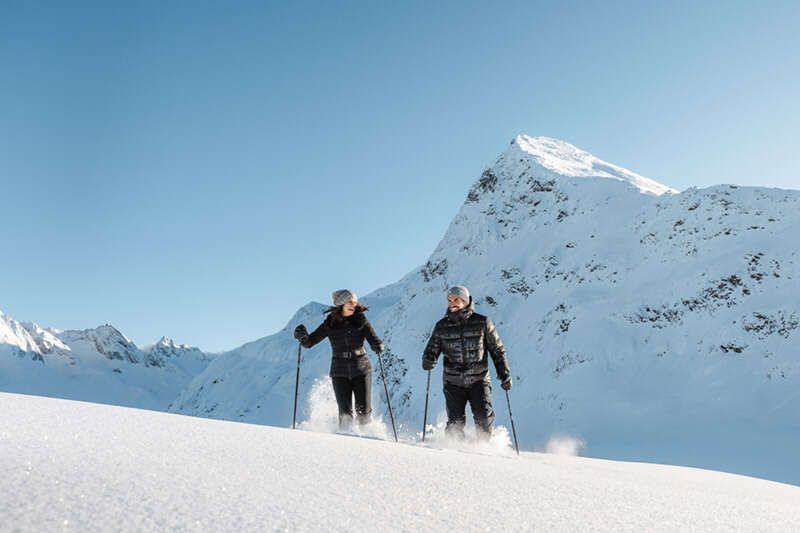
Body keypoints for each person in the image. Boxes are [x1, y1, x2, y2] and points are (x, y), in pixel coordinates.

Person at [422, 285, 512, 440]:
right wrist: (429, 358)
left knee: (484, 419)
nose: (452, 303)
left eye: (456, 299)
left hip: (479, 379)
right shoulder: (442, 326)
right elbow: (432, 348)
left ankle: (485, 452)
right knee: (455, 423)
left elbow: (497, 350)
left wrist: (504, 374)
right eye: (449, 300)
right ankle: (456, 454)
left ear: (465, 300)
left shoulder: (483, 322)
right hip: (453, 381)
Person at [294, 289, 384, 430]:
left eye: (355, 302)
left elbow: (373, 338)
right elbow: (310, 342)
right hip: (339, 371)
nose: (353, 305)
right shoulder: (330, 323)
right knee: (345, 414)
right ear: (341, 304)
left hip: (361, 369)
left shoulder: (360, 319)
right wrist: (303, 337)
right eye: (350, 302)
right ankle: (346, 443)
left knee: (364, 412)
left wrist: (378, 345)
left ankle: (368, 441)